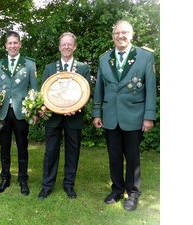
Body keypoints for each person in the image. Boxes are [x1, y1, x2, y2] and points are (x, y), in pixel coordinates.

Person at [91, 20, 157, 211]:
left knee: (133, 156)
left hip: (135, 116)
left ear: (132, 35)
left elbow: (150, 89)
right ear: (113, 36)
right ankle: (117, 190)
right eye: (117, 33)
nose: (121, 36)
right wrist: (97, 112)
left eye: (125, 32)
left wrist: (149, 116)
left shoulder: (145, 56)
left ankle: (133, 193)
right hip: (111, 116)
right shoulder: (105, 59)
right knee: (114, 156)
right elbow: (99, 89)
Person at [37, 32, 91, 200]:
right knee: (51, 152)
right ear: (59, 47)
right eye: (64, 44)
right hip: (53, 117)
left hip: (74, 117)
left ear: (74, 47)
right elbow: (43, 93)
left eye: (70, 44)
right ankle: (47, 186)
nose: (66, 47)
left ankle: (69, 185)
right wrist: (44, 106)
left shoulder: (83, 68)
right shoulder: (49, 68)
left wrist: (77, 107)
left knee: (72, 152)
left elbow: (86, 92)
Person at [0, 31, 39, 195]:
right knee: (4, 148)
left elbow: (34, 89)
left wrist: (34, 111)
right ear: (5, 46)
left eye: (15, 43)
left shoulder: (29, 64)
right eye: (9, 43)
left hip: (21, 112)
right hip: (4, 112)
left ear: (20, 44)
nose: (12, 46)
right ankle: (5, 178)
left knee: (22, 148)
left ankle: (23, 180)